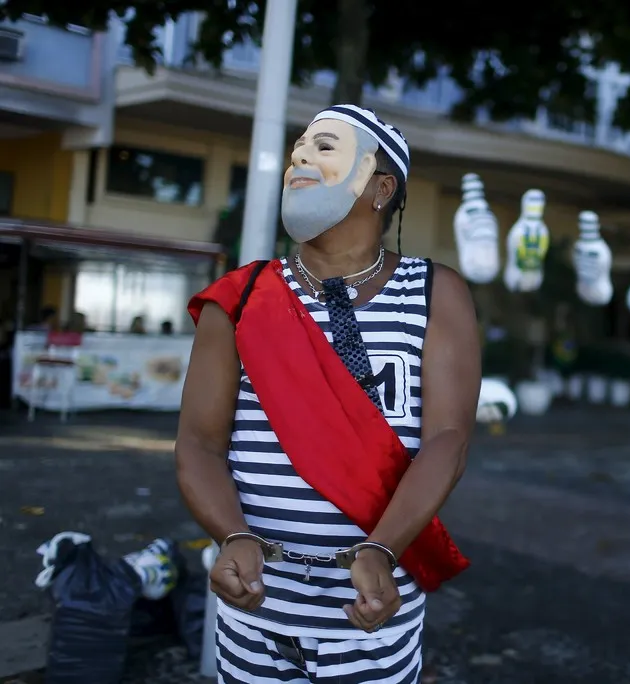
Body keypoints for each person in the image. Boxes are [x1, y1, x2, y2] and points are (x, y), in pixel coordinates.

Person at [175, 104, 480, 683]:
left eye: (324, 147)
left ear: (379, 187)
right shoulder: (240, 299)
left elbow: (447, 438)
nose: (299, 158)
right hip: (256, 614)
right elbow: (197, 443)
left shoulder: (436, 292)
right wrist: (231, 535)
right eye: (298, 148)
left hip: (376, 615)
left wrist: (383, 549)